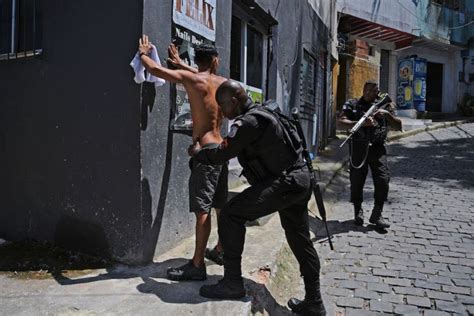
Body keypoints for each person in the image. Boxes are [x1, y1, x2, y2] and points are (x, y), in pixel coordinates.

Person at [191, 80, 326, 315]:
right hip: (297, 180)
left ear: (235, 100)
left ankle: (232, 282)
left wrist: (198, 154)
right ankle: (315, 302)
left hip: (286, 183)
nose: (222, 112)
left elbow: (224, 152)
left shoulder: (248, 122)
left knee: (231, 214)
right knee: (299, 239)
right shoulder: (264, 111)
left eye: (223, 106)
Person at [138, 35, 227, 280]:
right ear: (215, 60)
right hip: (222, 150)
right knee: (220, 205)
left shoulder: (192, 79)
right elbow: (202, 77)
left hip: (206, 153)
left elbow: (155, 69)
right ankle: (222, 249)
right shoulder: (224, 83)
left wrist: (144, 52)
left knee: (202, 210)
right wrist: (180, 63)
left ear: (197, 61)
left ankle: (197, 265)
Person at [337, 80, 402, 229]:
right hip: (358, 147)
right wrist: (360, 123)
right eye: (368, 91)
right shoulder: (352, 104)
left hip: (378, 149)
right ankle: (358, 210)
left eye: (374, 91)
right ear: (364, 90)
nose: (371, 93)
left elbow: (398, 126)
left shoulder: (385, 105)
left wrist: (386, 115)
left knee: (383, 179)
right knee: (356, 180)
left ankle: (377, 214)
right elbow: (341, 122)